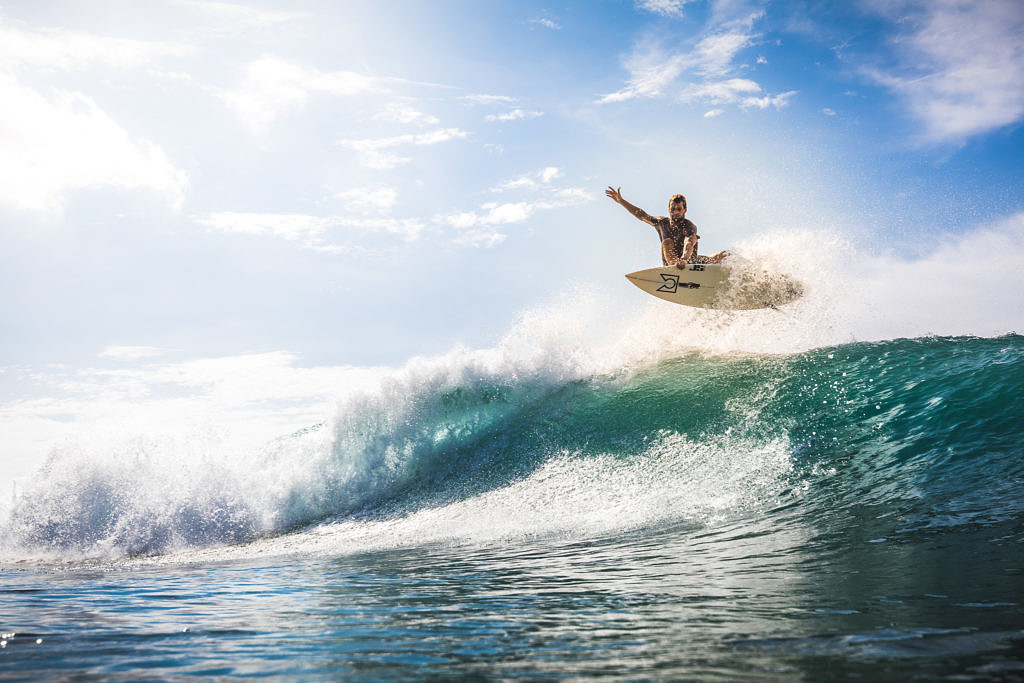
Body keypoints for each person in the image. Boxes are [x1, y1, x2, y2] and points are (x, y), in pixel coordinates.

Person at [605, 186, 729, 268]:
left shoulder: (689, 226)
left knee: (725, 255)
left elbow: (689, 242)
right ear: (668, 209)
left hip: (690, 263)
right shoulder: (662, 223)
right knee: (667, 242)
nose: (675, 212)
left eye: (679, 209)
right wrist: (621, 201)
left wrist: (685, 259)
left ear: (685, 210)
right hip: (673, 266)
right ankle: (675, 268)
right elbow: (641, 214)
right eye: (672, 209)